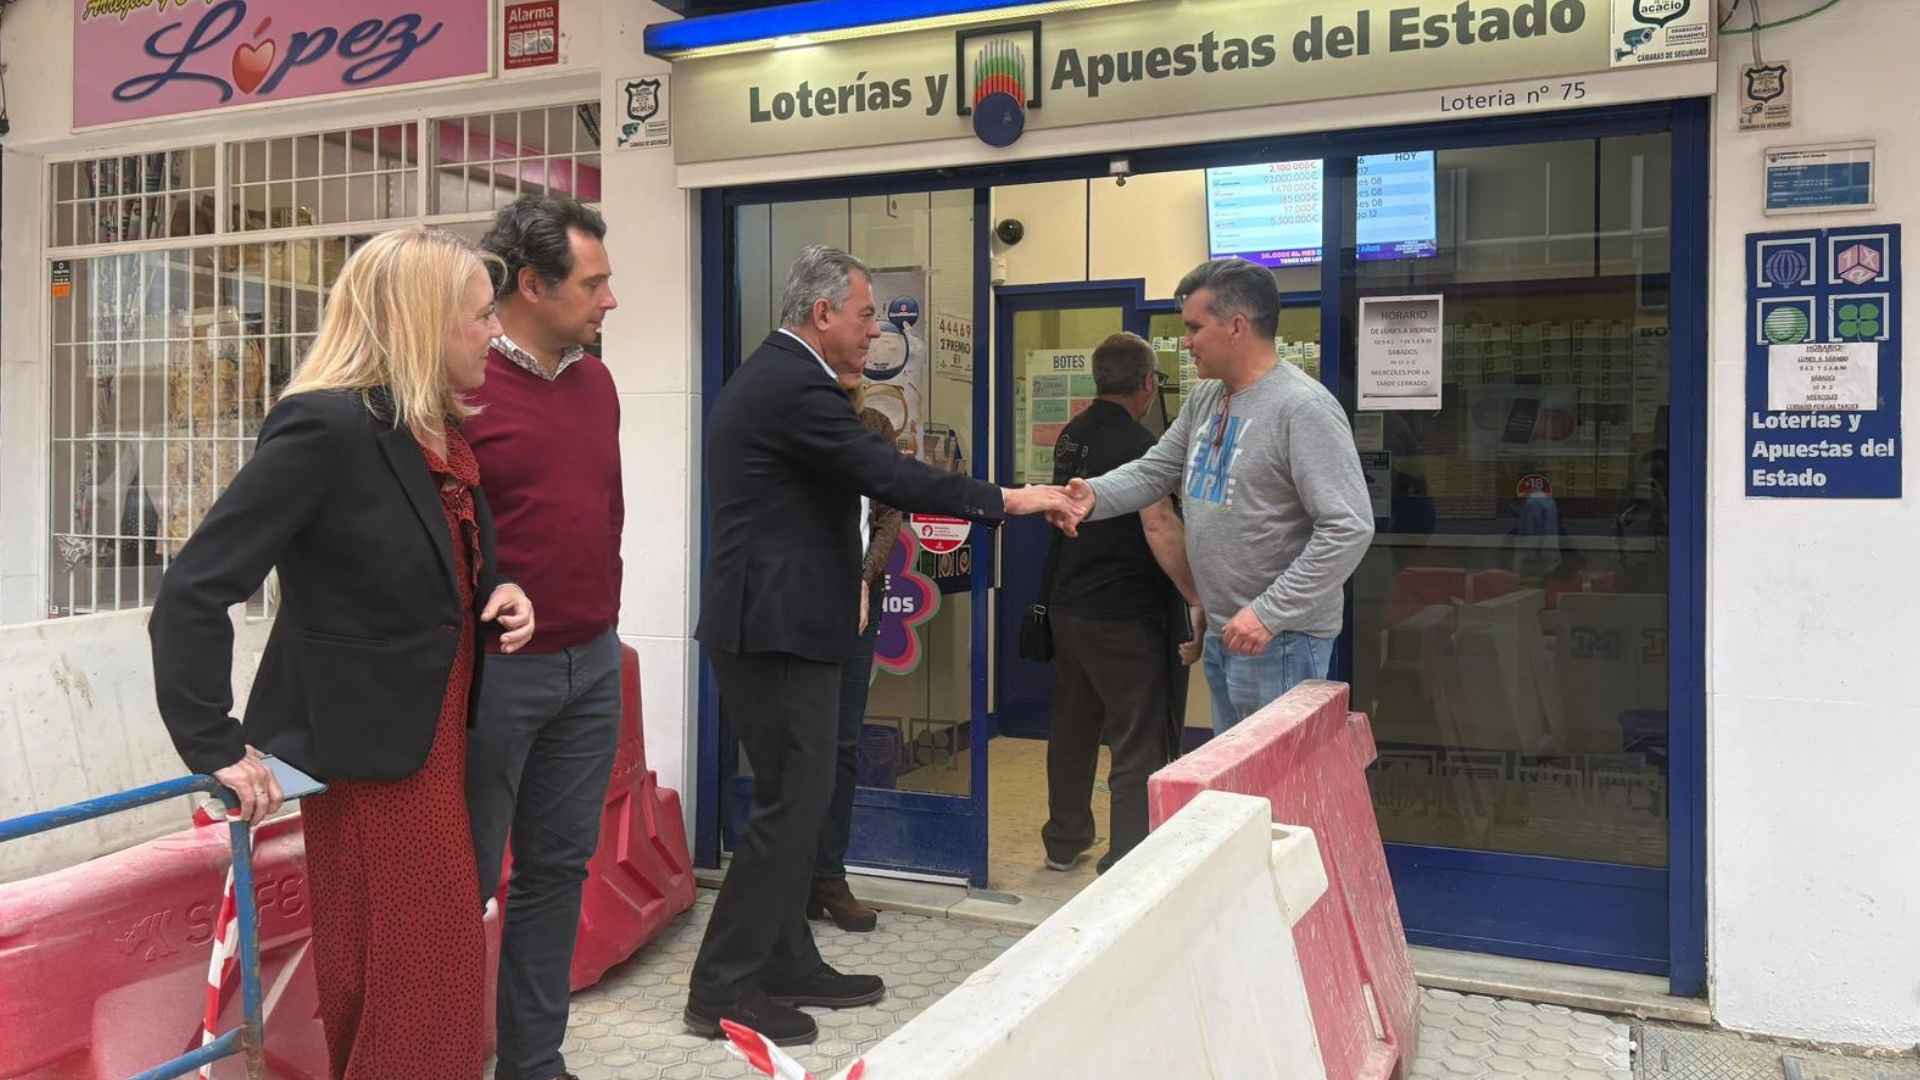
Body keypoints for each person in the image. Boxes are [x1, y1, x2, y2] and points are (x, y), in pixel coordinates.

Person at [148, 226, 536, 1080]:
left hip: (436, 749)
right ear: (422, 322)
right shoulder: (325, 429)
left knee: (408, 983)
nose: (495, 334)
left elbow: (423, 572)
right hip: (373, 763)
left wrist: (497, 595)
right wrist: (214, 743)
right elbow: (194, 588)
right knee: (418, 986)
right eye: (478, 316)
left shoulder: (432, 436)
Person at [689, 244, 1073, 1046]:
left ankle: (788, 959)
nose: (877, 331)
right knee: (790, 807)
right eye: (867, 315)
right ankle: (721, 989)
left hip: (789, 625)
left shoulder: (788, 377)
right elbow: (889, 474)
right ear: (822, 313)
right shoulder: (793, 384)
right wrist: (1012, 497)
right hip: (776, 631)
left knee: (800, 803)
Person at [1053, 258, 1374, 734]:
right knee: (1235, 796)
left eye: (1194, 327)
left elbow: (1349, 527)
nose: (1186, 342)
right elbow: (1157, 469)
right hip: (1230, 630)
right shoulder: (1207, 398)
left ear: (1237, 326)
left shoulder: (1302, 408)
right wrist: (1089, 496)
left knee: (1269, 792)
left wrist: (1267, 613)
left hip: (1278, 639)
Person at [462, 195, 623, 1080]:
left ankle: (535, 1063)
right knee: (470, 880)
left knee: (558, 871)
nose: (610, 301)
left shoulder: (597, 383)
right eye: (593, 284)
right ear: (531, 284)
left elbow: (605, 513)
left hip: (592, 664)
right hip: (498, 677)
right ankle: (447, 1054)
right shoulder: (464, 384)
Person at [1042, 332, 1202, 875]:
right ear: (1148, 383)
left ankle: (1064, 840)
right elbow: (1158, 522)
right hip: (1124, 611)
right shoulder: (1142, 444)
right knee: (1138, 731)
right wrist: (1195, 595)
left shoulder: (1072, 435)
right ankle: (1129, 853)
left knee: (1073, 724)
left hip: (1069, 604)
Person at [808, 399, 903, 933]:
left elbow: (889, 514)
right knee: (800, 746)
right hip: (798, 603)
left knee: (843, 745)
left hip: (857, 609)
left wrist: (863, 579)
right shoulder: (795, 415)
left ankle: (828, 875)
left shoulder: (874, 427)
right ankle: (792, 878)